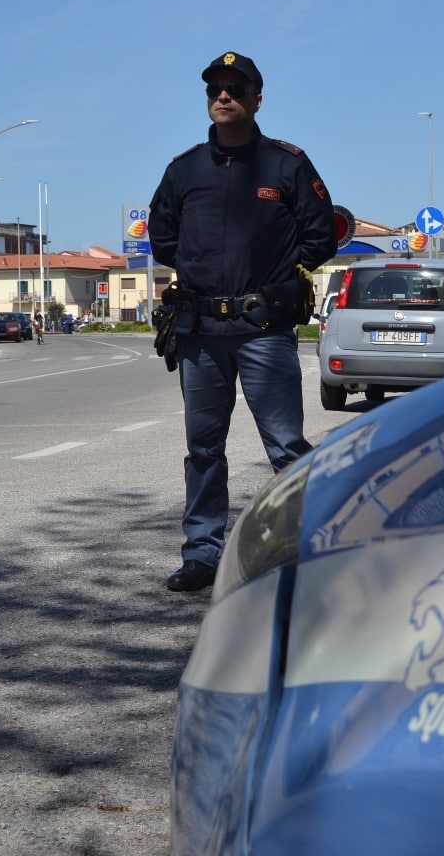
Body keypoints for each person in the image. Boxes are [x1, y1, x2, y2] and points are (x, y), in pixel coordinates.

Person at [149, 51, 338, 592]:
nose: (223, 95)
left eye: (235, 87)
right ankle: (202, 554)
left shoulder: (287, 165)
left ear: (257, 98)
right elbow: (163, 237)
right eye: (215, 88)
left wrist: (281, 276)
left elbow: (321, 232)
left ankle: (305, 552)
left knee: (285, 446)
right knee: (204, 448)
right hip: (202, 333)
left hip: (263, 330)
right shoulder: (183, 170)